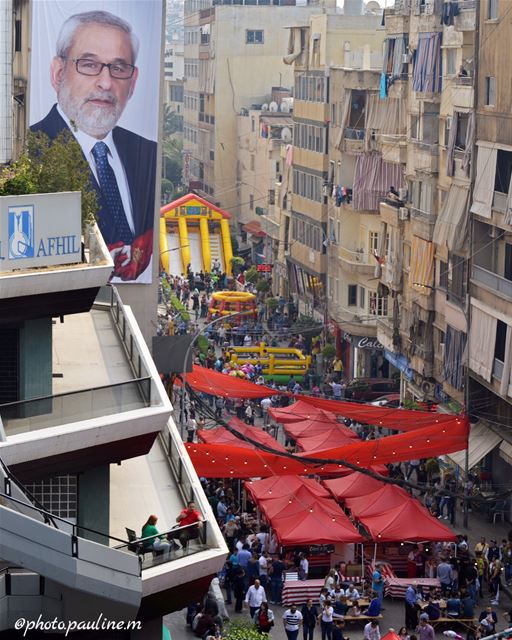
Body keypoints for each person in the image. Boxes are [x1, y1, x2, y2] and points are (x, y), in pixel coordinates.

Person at [31, 10, 156, 283]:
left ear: (132, 83)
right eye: (89, 64)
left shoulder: (149, 153)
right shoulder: (29, 153)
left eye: (118, 68)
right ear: (58, 73)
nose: (106, 82)